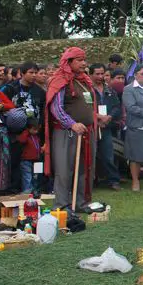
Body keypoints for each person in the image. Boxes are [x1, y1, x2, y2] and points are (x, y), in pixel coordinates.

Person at [45, 48, 96, 210]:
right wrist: (72, 124)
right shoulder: (59, 80)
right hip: (66, 132)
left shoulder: (84, 80)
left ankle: (79, 202)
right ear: (69, 62)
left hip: (86, 132)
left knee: (83, 169)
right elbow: (56, 108)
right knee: (64, 169)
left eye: (84, 59)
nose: (84, 63)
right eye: (79, 60)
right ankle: (62, 204)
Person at [2, 62, 46, 193]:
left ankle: (37, 187)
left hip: (35, 132)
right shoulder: (10, 88)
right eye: (30, 73)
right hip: (16, 132)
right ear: (22, 73)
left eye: (35, 73)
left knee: (36, 161)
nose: (33, 76)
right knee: (16, 161)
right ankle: (14, 187)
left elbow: (43, 111)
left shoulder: (39, 91)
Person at [89, 63, 122, 191]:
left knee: (108, 155)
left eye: (102, 73)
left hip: (106, 127)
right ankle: (91, 181)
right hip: (91, 127)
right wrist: (97, 117)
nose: (100, 76)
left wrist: (109, 117)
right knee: (91, 156)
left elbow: (117, 106)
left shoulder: (109, 90)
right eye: (97, 74)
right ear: (91, 74)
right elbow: (84, 108)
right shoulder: (87, 90)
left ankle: (113, 180)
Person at [16, 117, 43, 193]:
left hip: (37, 160)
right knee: (27, 177)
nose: (36, 131)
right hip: (26, 161)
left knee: (36, 177)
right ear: (28, 128)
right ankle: (27, 192)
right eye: (34, 129)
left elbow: (36, 147)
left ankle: (35, 191)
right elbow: (21, 140)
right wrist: (27, 132)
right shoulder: (26, 135)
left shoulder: (36, 137)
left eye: (38, 129)